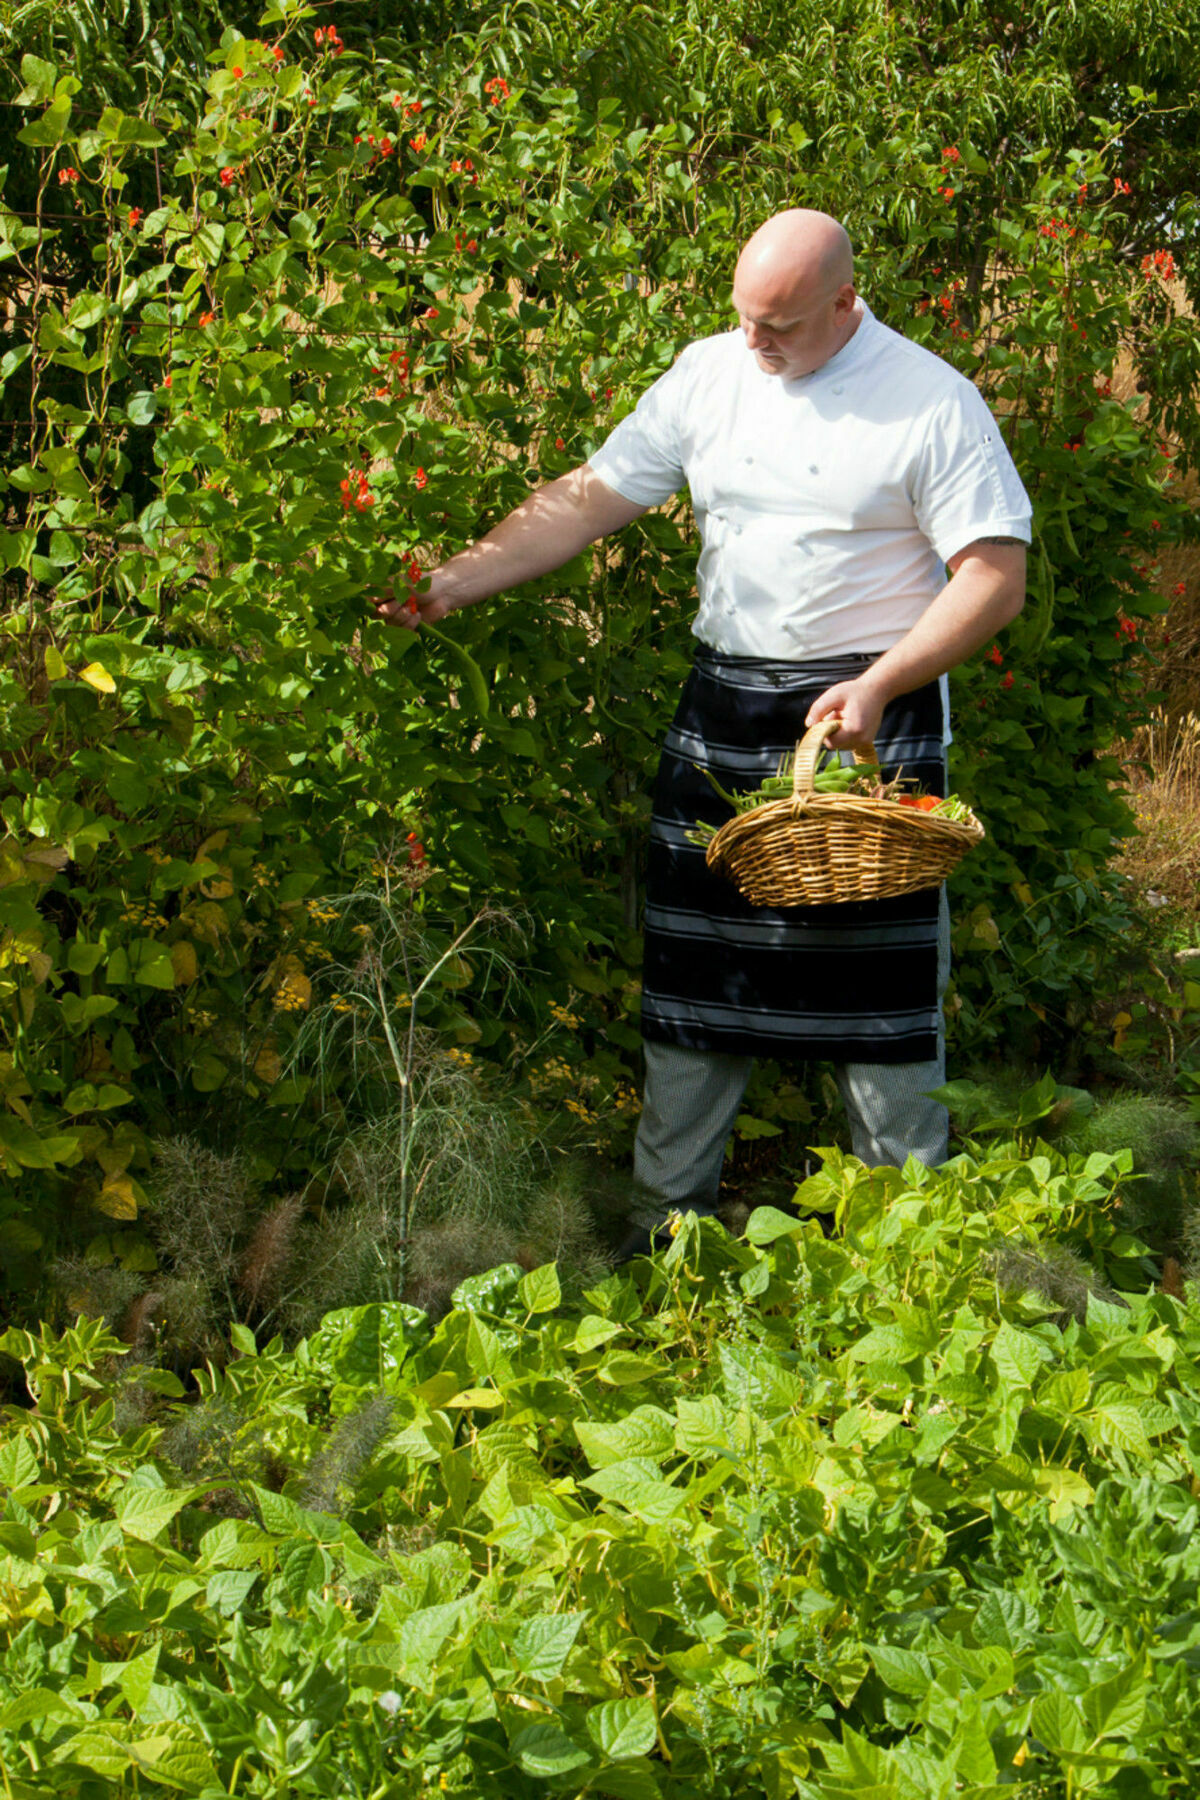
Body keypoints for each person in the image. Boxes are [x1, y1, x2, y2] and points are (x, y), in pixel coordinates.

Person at [373, 209, 1031, 1255]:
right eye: (744, 318)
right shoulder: (709, 374)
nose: (756, 345)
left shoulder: (928, 402)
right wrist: (450, 581)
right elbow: (588, 500)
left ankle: (912, 1263)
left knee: (883, 1010)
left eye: (781, 326)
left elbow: (995, 576)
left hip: (868, 724)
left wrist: (882, 680)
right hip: (724, 710)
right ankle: (661, 1250)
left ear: (846, 304)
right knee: (691, 992)